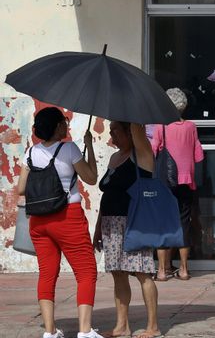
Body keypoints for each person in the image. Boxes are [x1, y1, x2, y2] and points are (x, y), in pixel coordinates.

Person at [16, 107, 101, 338]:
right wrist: (89, 146)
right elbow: (91, 178)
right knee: (86, 272)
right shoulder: (69, 148)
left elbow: (21, 188)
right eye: (64, 122)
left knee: (47, 274)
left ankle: (50, 331)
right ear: (57, 127)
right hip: (67, 217)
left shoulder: (31, 153)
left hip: (39, 221)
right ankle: (85, 331)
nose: (67, 125)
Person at [95, 121, 161, 338]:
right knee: (119, 275)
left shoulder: (141, 154)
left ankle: (153, 326)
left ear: (129, 132)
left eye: (115, 129)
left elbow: (139, 133)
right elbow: (108, 195)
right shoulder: (115, 158)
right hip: (111, 224)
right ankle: (122, 325)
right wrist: (98, 228)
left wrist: (131, 115)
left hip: (134, 222)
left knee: (143, 273)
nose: (111, 133)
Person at [152, 88, 205, 282]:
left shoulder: (161, 127)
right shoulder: (191, 127)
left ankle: (162, 271)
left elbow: (153, 151)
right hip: (186, 181)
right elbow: (198, 154)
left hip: (165, 182)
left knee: (164, 225)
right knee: (184, 223)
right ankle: (183, 269)